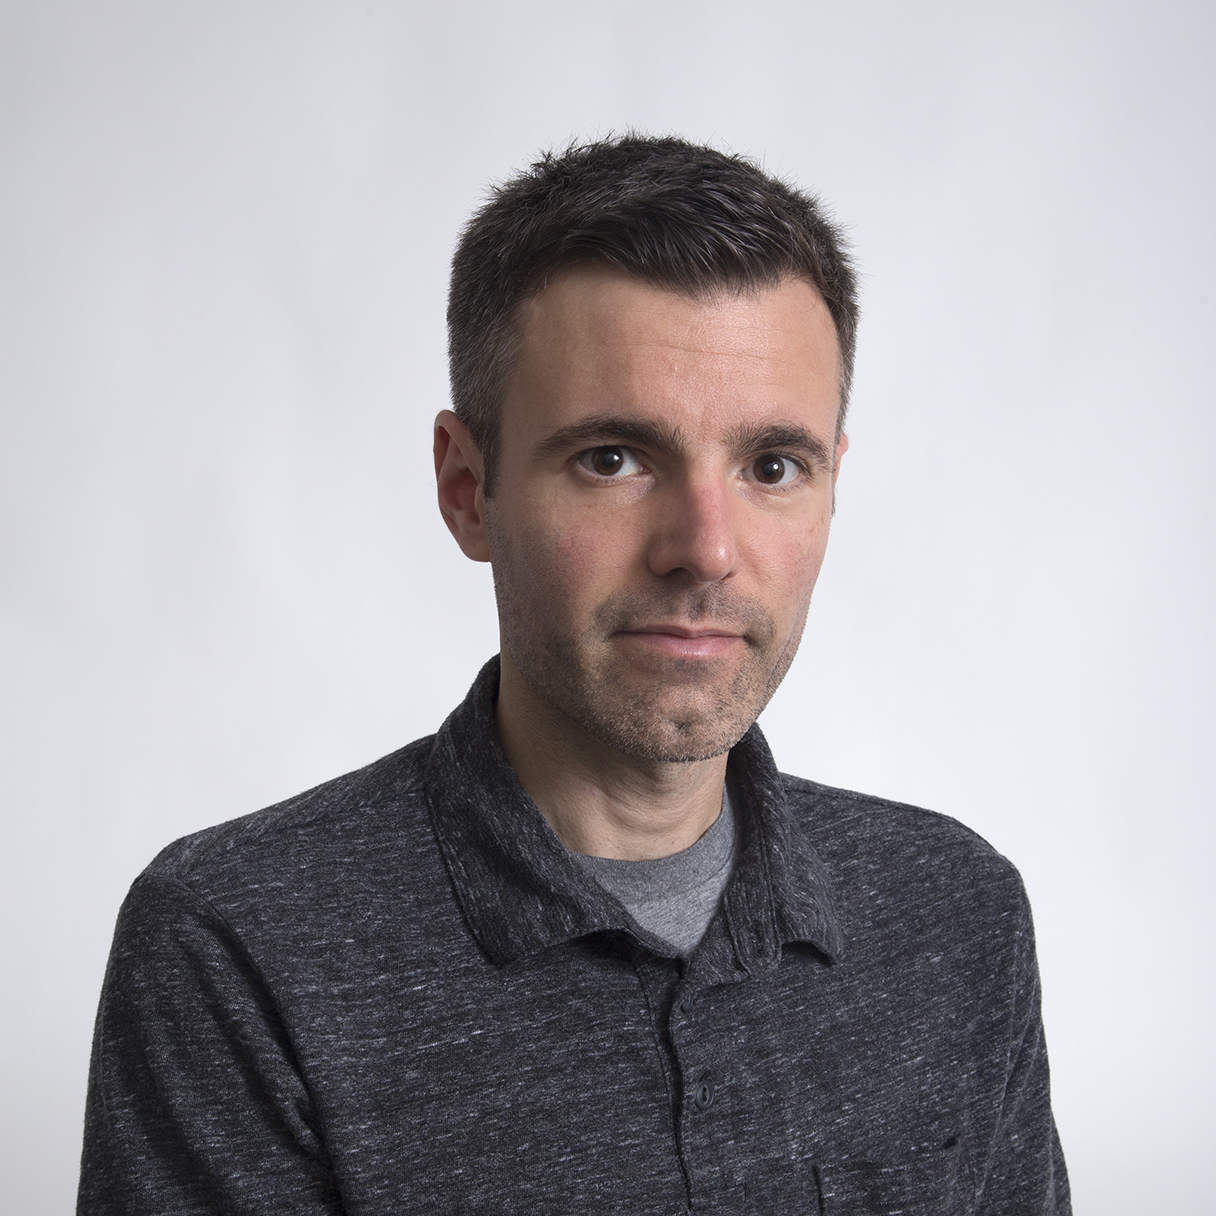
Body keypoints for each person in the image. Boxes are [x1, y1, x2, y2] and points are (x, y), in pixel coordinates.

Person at [78, 135, 1070, 1215]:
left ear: (832, 486)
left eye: (771, 466)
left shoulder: (954, 911)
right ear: (468, 489)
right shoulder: (237, 947)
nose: (705, 547)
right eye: (613, 457)